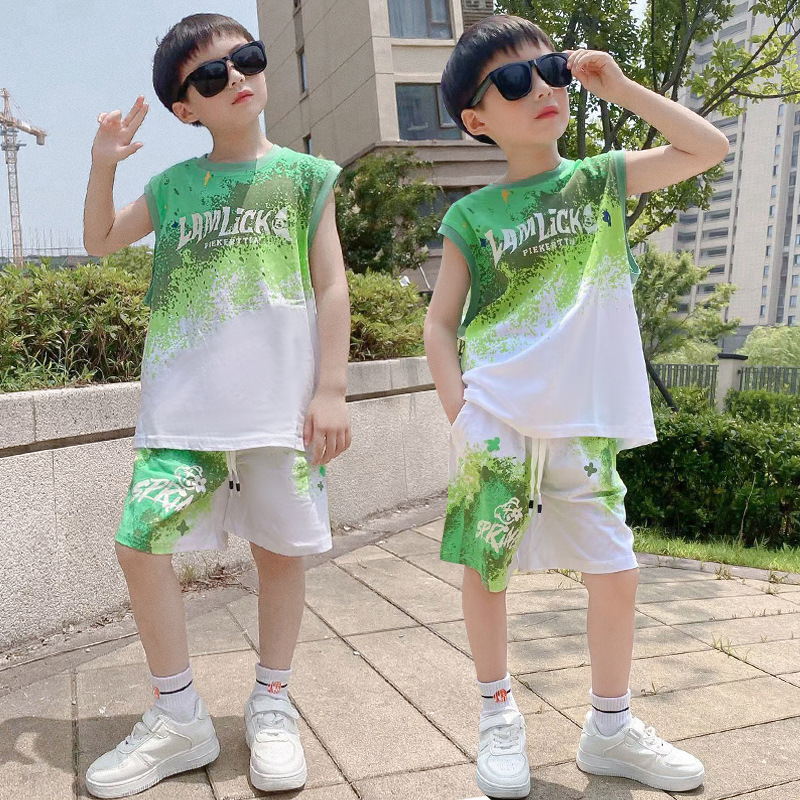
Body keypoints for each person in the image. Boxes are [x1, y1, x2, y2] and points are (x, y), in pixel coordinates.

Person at [424, 14, 729, 799]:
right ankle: (498, 717)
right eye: (514, 80)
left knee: (616, 571)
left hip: (584, 424)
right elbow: (439, 323)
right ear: (476, 120)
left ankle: (610, 728)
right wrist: (460, 415)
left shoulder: (600, 180)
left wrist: (619, 89)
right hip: (496, 417)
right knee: (486, 568)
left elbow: (707, 148)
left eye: (551, 69)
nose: (543, 87)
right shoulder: (471, 215)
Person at [82, 13, 351, 797]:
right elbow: (101, 240)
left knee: (281, 552)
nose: (235, 77)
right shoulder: (173, 188)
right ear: (184, 108)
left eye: (247, 59)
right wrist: (101, 165)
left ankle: (273, 701)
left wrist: (332, 389)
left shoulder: (306, 176)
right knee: (140, 544)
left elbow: (331, 284)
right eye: (209, 75)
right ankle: (178, 716)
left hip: (281, 408)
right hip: (184, 410)